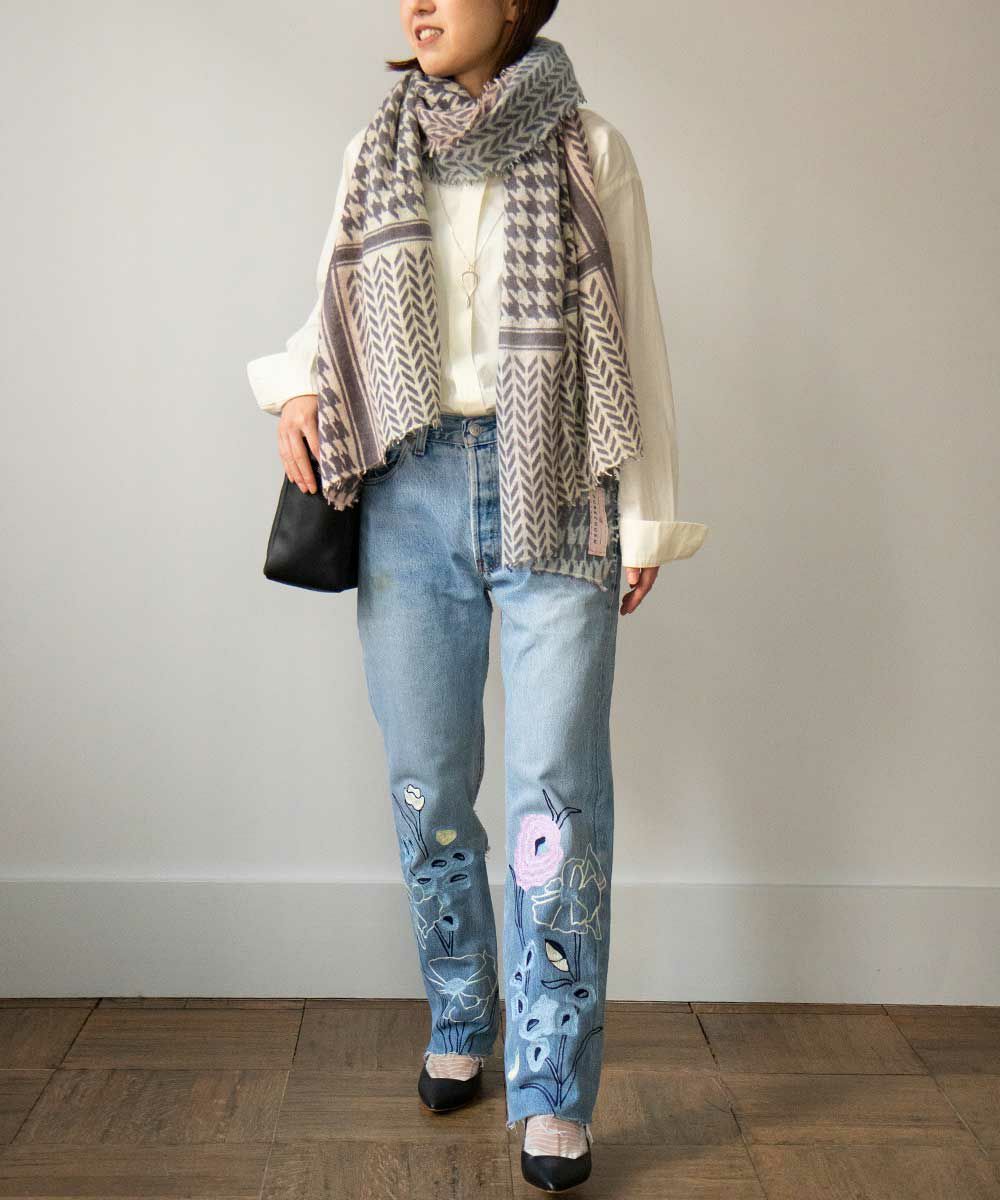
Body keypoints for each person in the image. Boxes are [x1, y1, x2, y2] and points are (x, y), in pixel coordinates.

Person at [247, 1, 708, 1191]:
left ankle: (551, 1086)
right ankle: (461, 1012)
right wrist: (294, 387)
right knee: (428, 780)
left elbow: (636, 336)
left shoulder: (589, 147)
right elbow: (331, 307)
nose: (418, 4)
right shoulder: (376, 147)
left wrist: (647, 512)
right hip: (406, 489)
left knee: (558, 793)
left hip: (557, 478)